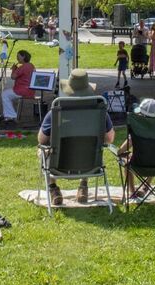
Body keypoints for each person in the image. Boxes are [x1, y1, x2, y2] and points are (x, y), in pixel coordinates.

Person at [37, 69, 115, 205]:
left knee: (41, 150)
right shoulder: (99, 112)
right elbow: (110, 139)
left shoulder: (56, 111)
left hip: (59, 165)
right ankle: (83, 186)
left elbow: (41, 140)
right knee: (87, 146)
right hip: (90, 165)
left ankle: (53, 188)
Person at [1, 49, 35, 123]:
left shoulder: (23, 67)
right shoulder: (31, 65)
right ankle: (9, 114)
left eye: (18, 56)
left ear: (23, 57)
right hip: (30, 90)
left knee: (5, 94)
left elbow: (13, 77)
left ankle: (11, 115)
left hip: (22, 90)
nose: (17, 58)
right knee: (7, 94)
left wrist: (13, 69)